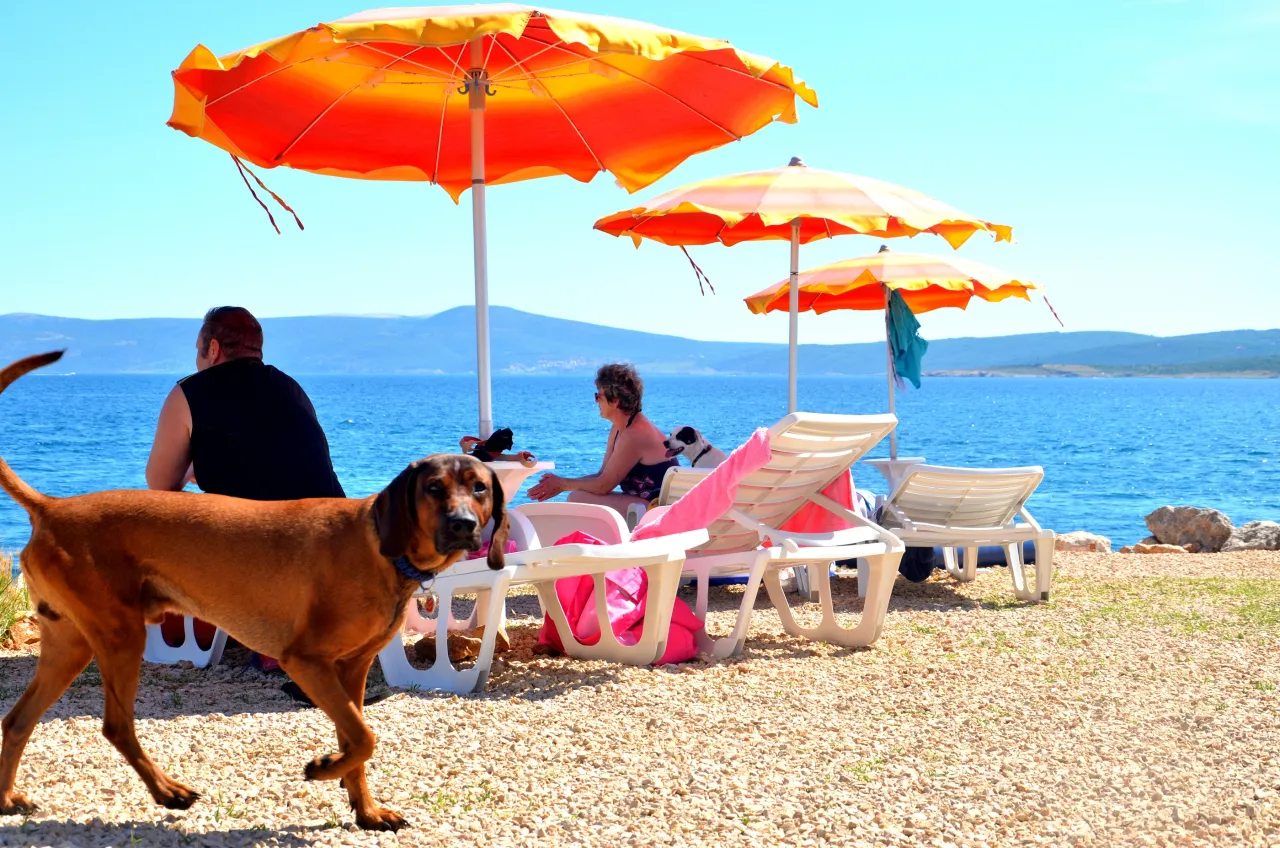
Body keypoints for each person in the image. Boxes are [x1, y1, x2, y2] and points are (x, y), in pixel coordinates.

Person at [145, 306, 356, 704]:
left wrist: (195, 469)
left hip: (269, 555)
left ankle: (260, 635)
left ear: (212, 347)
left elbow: (161, 485)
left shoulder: (190, 391)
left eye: (197, 349)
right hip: (339, 547)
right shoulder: (291, 387)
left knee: (165, 515)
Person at [528, 363, 676, 512]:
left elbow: (603, 486)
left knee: (577, 498)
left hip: (659, 510)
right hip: (646, 505)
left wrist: (562, 484)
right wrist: (561, 484)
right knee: (579, 496)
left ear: (615, 401)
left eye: (598, 396)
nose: (596, 401)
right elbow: (601, 476)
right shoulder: (620, 429)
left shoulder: (634, 434)